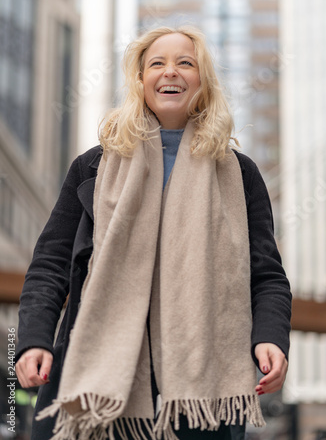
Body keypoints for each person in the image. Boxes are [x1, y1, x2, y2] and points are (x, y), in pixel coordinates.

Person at [15, 26, 292, 440]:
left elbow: (266, 275)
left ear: (203, 81)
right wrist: (34, 339)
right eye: (157, 64)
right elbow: (50, 264)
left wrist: (271, 337)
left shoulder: (239, 174)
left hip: (200, 386)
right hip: (97, 371)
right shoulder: (94, 167)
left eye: (186, 63)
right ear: (141, 80)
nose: (171, 73)